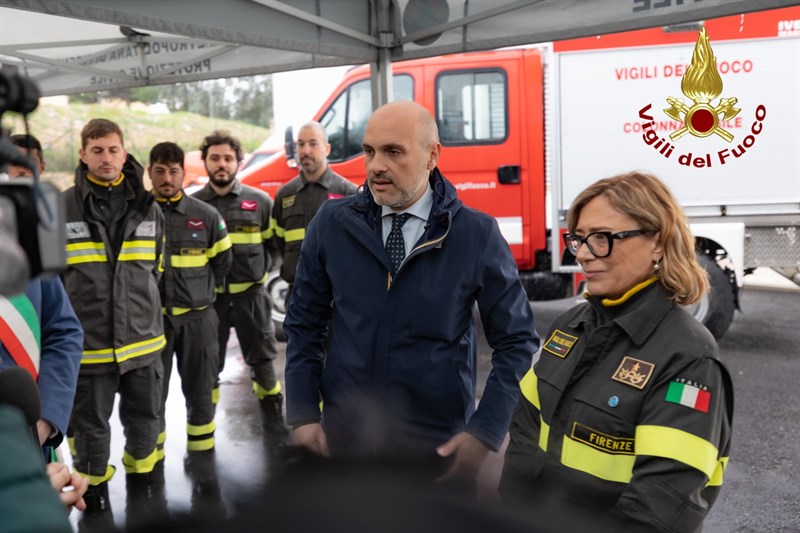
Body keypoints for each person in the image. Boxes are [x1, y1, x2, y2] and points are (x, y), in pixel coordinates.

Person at [284, 100, 538, 485]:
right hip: (343, 448)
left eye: (393, 151)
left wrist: (485, 431)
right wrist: (303, 415)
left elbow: (517, 341)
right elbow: (303, 325)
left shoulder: (475, 235)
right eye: (369, 151)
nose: (375, 166)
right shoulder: (332, 225)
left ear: (432, 154)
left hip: (436, 455)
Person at [499, 171, 734, 532]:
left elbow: (663, 504)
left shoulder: (689, 357)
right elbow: (526, 431)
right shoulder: (568, 327)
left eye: (603, 238)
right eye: (578, 240)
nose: (584, 255)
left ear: (657, 241)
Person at [62, 118, 165, 529]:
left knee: (145, 428)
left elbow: (155, 269)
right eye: (98, 150)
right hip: (90, 349)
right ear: (83, 154)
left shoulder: (148, 206)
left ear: (125, 153)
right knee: (91, 434)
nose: (107, 157)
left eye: (113, 150)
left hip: (142, 347)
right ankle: (96, 507)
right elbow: (51, 282)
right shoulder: (60, 207)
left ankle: (145, 496)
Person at [149, 141, 232, 512]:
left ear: (184, 173)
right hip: (152, 325)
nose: (167, 178)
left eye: (173, 171)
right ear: (150, 173)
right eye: (160, 171)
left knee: (200, 395)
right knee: (151, 399)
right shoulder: (136, 216)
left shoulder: (206, 214)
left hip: (199, 320)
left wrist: (200, 295)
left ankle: (203, 466)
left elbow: (222, 262)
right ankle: (152, 470)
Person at [192, 130, 289, 445]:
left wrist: (258, 273)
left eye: (228, 158)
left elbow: (273, 246)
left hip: (252, 299)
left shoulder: (259, 201)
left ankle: (275, 433)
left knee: (263, 363)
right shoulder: (192, 205)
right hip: (210, 304)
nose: (222, 164)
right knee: (208, 368)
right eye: (215, 158)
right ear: (205, 161)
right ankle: (204, 444)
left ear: (239, 162)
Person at [271, 121, 357, 304]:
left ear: (326, 149)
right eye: (300, 144)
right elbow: (279, 240)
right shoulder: (284, 195)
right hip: (297, 295)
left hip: (337, 297)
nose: (305, 150)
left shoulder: (349, 193)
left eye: (312, 143)